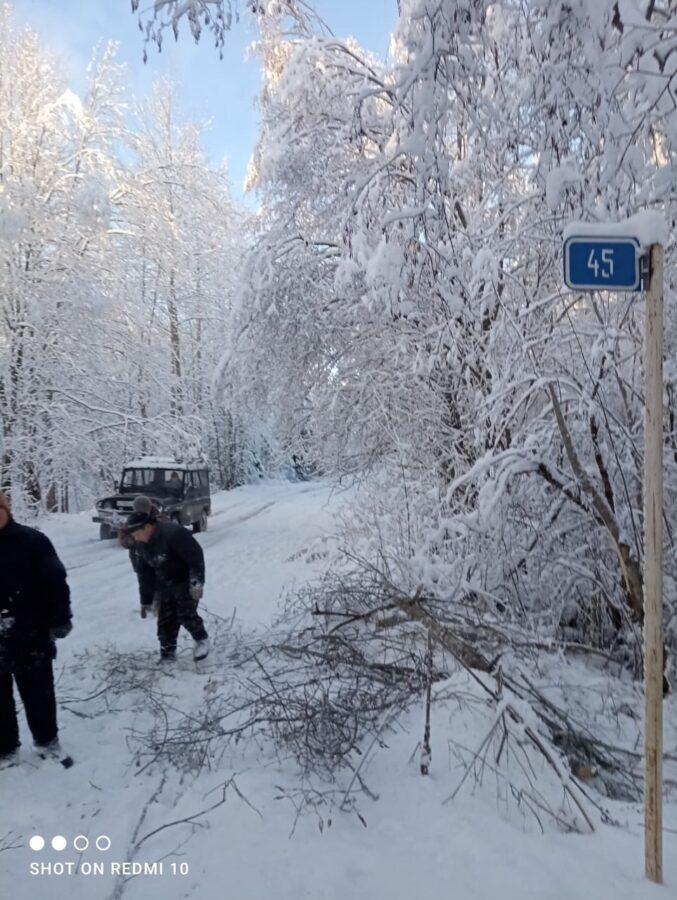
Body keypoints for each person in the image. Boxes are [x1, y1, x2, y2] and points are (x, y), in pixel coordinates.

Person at [0, 491, 72, 767]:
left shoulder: (31, 541)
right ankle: (5, 748)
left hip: (30, 630)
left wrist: (61, 617)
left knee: (38, 691)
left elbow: (56, 580)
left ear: (5, 509)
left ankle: (47, 741)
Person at [125, 505, 209, 662]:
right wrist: (146, 600)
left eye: (137, 534)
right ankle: (167, 656)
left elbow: (195, 557)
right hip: (165, 584)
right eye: (134, 535)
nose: (136, 538)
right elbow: (144, 574)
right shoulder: (141, 544)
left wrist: (196, 582)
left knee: (185, 614)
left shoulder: (174, 534)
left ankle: (201, 640)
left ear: (148, 527)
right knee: (165, 623)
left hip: (185, 580)